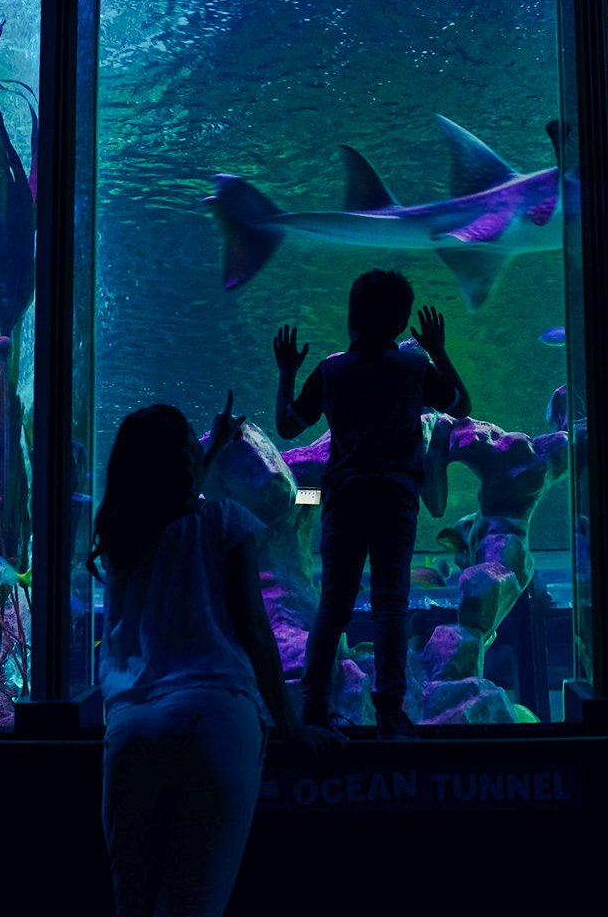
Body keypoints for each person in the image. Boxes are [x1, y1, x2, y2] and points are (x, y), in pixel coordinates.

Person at [91, 395, 335, 917]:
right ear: (185, 458)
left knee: (132, 904)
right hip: (212, 717)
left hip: (130, 728)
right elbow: (255, 630)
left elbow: (175, 500)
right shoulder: (227, 518)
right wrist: (291, 725)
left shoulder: (121, 535)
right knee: (193, 903)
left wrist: (218, 443)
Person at [274, 268, 472, 737]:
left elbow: (287, 426)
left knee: (333, 604)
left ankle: (314, 708)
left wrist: (287, 372)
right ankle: (388, 710)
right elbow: (461, 406)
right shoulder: (414, 368)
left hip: (343, 498)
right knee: (390, 603)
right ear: (403, 323)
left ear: (351, 318)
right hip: (396, 499)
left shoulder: (332, 370)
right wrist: (438, 351)